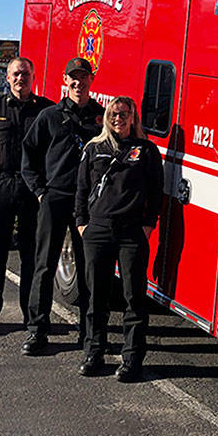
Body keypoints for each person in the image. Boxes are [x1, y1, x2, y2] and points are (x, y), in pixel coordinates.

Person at [75, 96, 164, 382]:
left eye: (125, 114)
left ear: (133, 118)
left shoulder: (147, 151)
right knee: (96, 296)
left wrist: (148, 226)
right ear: (106, 117)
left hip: (131, 232)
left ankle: (132, 359)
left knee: (133, 298)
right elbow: (81, 189)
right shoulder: (93, 148)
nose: (119, 119)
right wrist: (81, 225)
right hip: (97, 230)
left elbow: (156, 192)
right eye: (114, 114)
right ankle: (93, 353)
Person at [19, 57, 103, 356]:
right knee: (44, 266)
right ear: (65, 81)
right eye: (73, 78)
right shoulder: (50, 116)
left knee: (89, 269)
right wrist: (40, 192)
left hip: (89, 205)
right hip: (54, 198)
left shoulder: (101, 119)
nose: (79, 82)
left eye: (84, 77)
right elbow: (28, 155)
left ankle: (90, 335)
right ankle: (37, 331)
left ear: (92, 80)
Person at [0, 57, 54, 336]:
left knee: (32, 255)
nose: (21, 78)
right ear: (7, 78)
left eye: (26, 74)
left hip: (32, 190)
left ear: (33, 77)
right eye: (16, 74)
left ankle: (33, 319)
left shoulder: (46, 110)